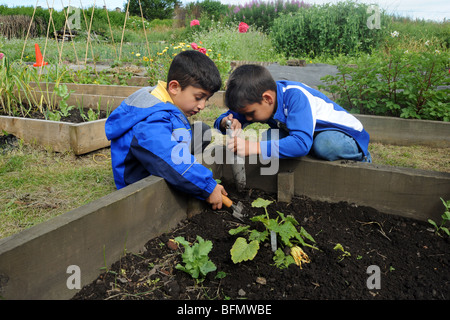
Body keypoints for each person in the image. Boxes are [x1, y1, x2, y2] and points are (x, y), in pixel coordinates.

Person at [105, 50, 227, 209]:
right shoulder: (150, 123)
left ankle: (187, 172)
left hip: (157, 155)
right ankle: (186, 175)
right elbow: (169, 157)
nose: (202, 106)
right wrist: (207, 186)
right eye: (198, 97)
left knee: (202, 131)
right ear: (175, 87)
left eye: (206, 99)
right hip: (138, 177)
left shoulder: (160, 96)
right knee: (174, 163)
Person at [214, 64, 371, 163]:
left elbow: (301, 144)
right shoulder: (257, 100)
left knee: (324, 145)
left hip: (345, 135)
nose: (247, 119)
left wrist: (253, 147)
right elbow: (227, 117)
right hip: (311, 133)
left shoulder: (296, 97)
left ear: (267, 98)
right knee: (270, 138)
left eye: (250, 114)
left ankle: (362, 157)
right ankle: (307, 146)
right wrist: (225, 122)